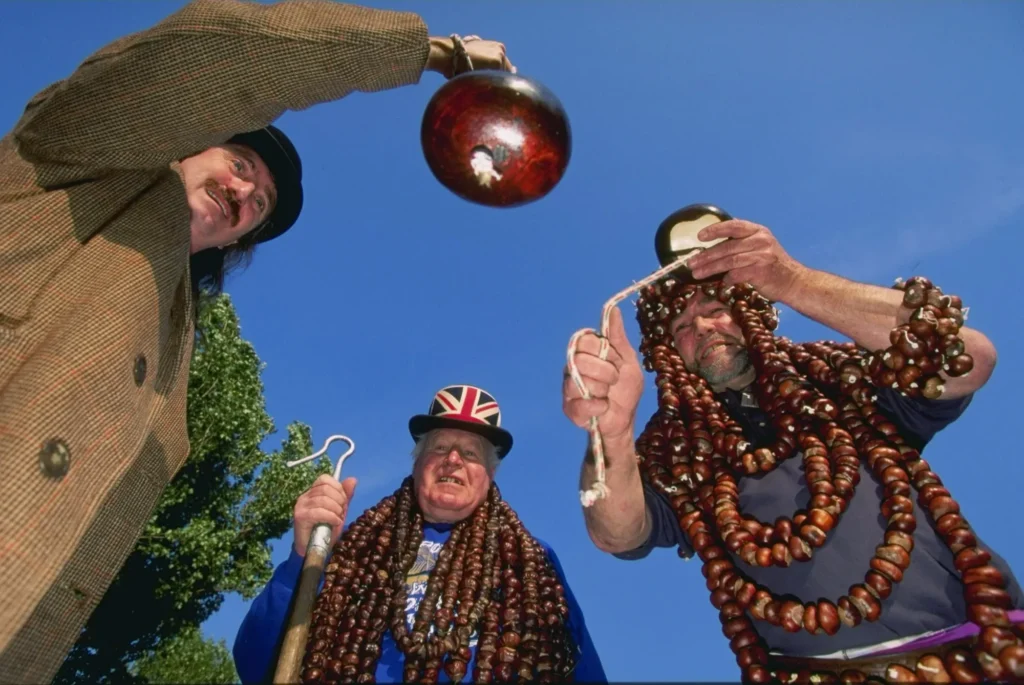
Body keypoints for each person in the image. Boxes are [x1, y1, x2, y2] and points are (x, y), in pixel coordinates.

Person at [0, 1, 517, 679]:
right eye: (241, 160)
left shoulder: (173, 362)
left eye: (261, 205)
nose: (245, 192)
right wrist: (430, 51)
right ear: (185, 138)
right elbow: (209, 57)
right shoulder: (75, 158)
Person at [563, 216, 1024, 682]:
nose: (702, 326)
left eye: (717, 308)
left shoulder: (838, 377)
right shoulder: (674, 448)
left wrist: (792, 280)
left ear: (751, 312)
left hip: (985, 652)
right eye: (681, 325)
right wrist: (612, 433)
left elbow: (966, 360)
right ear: (667, 354)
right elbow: (617, 534)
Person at [234, 384, 606, 683]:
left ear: (489, 476)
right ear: (417, 463)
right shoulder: (351, 553)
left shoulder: (532, 562)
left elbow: (581, 670)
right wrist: (303, 557)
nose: (454, 459)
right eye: (441, 446)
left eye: (471, 453)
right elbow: (255, 665)